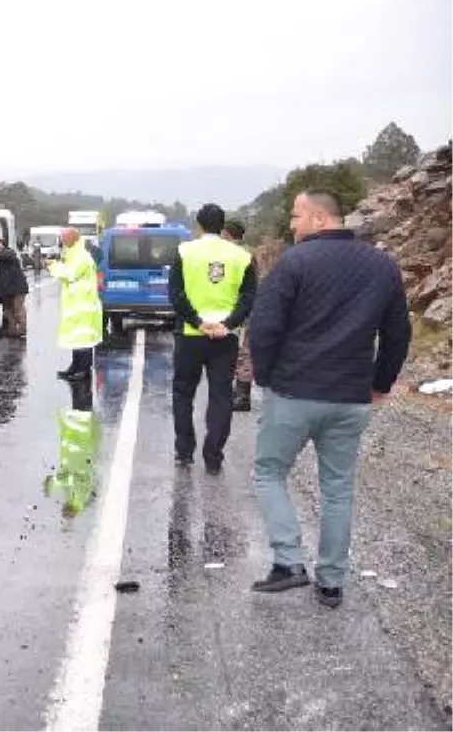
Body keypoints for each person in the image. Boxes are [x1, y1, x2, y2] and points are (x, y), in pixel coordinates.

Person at [248, 189, 410, 608]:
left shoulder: (293, 262)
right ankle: (332, 582)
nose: (291, 223)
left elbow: (264, 328)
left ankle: (288, 562)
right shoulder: (382, 266)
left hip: (294, 392)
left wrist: (265, 378)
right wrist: (381, 384)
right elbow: (398, 333)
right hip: (351, 396)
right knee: (337, 489)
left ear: (321, 218)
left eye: (296, 215)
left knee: (269, 471)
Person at [167, 203, 256, 474]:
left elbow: (176, 294)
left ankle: (184, 452)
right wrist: (227, 324)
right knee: (220, 396)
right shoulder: (242, 256)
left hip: (191, 335)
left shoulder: (185, 251)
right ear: (223, 225)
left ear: (199, 225)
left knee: (183, 393)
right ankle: (213, 456)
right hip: (224, 338)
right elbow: (248, 297)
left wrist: (197, 321)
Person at [47, 227, 102, 380]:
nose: (62, 241)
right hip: (77, 305)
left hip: (84, 304)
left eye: (64, 238)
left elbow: (70, 274)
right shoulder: (72, 254)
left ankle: (83, 370)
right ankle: (75, 367)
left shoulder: (82, 256)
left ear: (73, 239)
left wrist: (53, 266)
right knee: (76, 338)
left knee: (83, 338)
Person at [221, 219, 257, 412]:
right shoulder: (246, 253)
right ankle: (239, 392)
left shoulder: (239, 255)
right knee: (241, 351)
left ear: (227, 233)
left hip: (239, 309)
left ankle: (242, 395)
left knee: (243, 352)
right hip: (241, 308)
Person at [0, 237, 29, 338]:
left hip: (17, 288)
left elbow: (6, 256)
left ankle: (22, 329)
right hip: (5, 289)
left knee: (17, 309)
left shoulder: (9, 253)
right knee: (8, 311)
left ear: (3, 245)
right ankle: (12, 330)